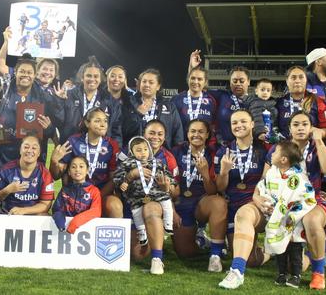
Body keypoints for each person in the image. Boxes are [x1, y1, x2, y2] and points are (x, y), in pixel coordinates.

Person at [220, 111, 326, 290]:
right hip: (275, 201)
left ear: (311, 127)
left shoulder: (316, 146)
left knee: (311, 222)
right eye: (295, 124)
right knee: (244, 214)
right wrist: (256, 196)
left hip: (307, 202)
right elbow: (265, 179)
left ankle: (318, 272)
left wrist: (319, 140)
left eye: (305, 124)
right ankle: (236, 271)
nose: (300, 128)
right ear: (289, 128)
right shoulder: (278, 148)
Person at [0, 28, 62, 170]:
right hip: (5, 152)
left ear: (35, 75)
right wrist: (6, 42)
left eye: (29, 72)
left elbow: (51, 131)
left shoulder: (45, 97)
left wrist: (48, 127)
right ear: (15, 72)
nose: (25, 75)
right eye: (22, 71)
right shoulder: (4, 90)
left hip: (32, 154)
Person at [214, 110, 269, 290]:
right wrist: (224, 171)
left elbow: (267, 181)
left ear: (253, 124)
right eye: (235, 123)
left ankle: (236, 272)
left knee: (244, 214)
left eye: (243, 121)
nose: (239, 125)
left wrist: (258, 198)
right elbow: (220, 188)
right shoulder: (225, 150)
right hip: (232, 206)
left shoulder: (265, 149)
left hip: (256, 205)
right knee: (250, 259)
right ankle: (270, 252)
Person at [113, 136, 176, 275]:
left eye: (145, 149)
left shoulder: (158, 162)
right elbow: (117, 178)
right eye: (138, 150)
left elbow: (170, 178)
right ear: (131, 151)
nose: (143, 153)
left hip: (156, 196)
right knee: (137, 215)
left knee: (166, 202)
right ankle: (142, 234)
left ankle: (167, 226)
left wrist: (168, 185)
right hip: (136, 198)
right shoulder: (128, 164)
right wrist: (127, 178)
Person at [257, 140, 316, 288]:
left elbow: (304, 198)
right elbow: (264, 189)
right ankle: (281, 274)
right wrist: (268, 204)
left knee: (295, 247)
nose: (271, 154)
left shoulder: (298, 177)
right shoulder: (271, 173)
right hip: (277, 217)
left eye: (274, 152)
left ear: (283, 159)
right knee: (279, 247)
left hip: (293, 220)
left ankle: (296, 276)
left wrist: (289, 214)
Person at [170, 119, 227, 272]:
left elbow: (212, 191)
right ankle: (203, 241)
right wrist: (172, 210)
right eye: (193, 131)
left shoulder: (213, 153)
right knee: (185, 252)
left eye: (201, 132)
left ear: (208, 134)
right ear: (187, 133)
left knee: (218, 203)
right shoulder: (176, 151)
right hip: (181, 202)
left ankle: (215, 255)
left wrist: (205, 175)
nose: (196, 135)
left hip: (202, 201)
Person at [50, 108, 120, 197]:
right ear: (87, 123)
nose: (103, 125)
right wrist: (54, 161)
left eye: (105, 121)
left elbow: (113, 179)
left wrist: (96, 197)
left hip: (101, 193)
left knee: (115, 206)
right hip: (76, 193)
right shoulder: (73, 141)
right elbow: (56, 176)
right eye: (98, 121)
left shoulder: (112, 145)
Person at [189, 50, 250, 146]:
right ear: (230, 82)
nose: (238, 83)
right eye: (234, 81)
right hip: (222, 147)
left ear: (248, 82)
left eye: (241, 81)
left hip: (246, 147)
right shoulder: (222, 96)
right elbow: (198, 87)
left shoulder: (254, 102)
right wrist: (193, 67)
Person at [54, 56, 122, 144]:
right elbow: (58, 122)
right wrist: (59, 101)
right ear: (82, 78)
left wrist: (116, 151)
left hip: (99, 150)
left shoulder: (110, 101)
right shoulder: (69, 95)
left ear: (100, 79)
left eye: (96, 76)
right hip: (71, 147)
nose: (92, 79)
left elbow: (116, 130)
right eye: (89, 76)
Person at [0, 135, 54, 215]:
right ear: (20, 150)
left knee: (44, 216)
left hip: (32, 214)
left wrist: (24, 211)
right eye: (26, 147)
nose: (29, 150)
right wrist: (6, 190)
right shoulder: (5, 170)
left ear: (39, 153)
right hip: (8, 214)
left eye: (34, 148)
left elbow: (46, 205)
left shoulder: (45, 174)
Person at [122, 68, 183, 149]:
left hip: (161, 154)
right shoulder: (129, 104)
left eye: (151, 82)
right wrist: (139, 115)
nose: (147, 85)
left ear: (158, 86)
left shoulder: (169, 106)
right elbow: (124, 130)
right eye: (144, 82)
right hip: (136, 153)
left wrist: (176, 153)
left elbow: (178, 133)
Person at [275, 66, 326, 139]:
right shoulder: (278, 103)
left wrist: (316, 132)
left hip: (310, 147)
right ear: (287, 81)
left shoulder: (318, 101)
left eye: (301, 77)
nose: (297, 81)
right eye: (293, 78)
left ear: (306, 80)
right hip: (286, 147)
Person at [52, 156, 102, 233]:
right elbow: (57, 209)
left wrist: (75, 222)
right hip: (65, 230)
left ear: (87, 170)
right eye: (73, 167)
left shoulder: (94, 191)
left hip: (86, 231)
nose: (77, 170)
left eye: (81, 166)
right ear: (69, 172)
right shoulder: (65, 190)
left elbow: (95, 211)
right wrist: (60, 222)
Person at [170, 67, 217, 139]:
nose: (195, 82)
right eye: (193, 78)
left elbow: (214, 125)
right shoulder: (176, 99)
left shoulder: (211, 100)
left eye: (200, 79)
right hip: (182, 146)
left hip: (204, 147)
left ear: (205, 82)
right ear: (188, 79)